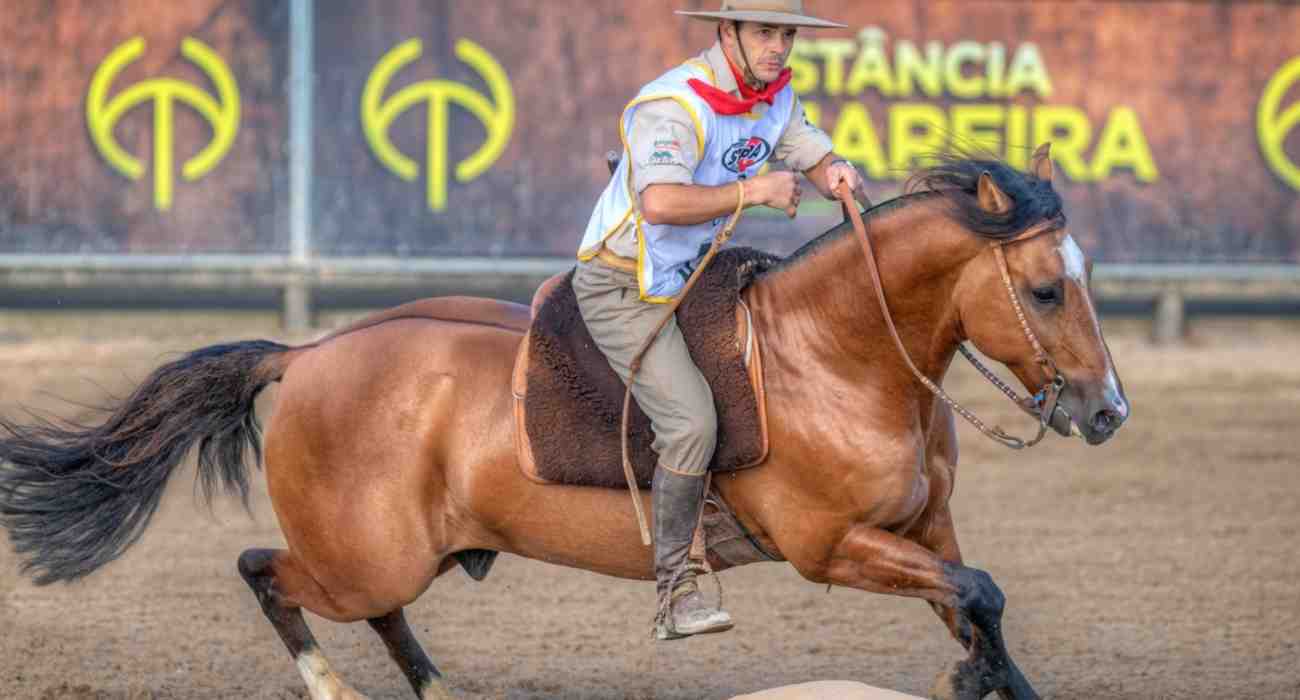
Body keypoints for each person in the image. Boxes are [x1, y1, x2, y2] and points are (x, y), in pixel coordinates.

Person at [573, 0, 866, 641]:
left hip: (691, 278)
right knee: (690, 423)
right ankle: (676, 593)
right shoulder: (673, 106)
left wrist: (831, 171)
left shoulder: (774, 96)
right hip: (623, 286)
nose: (779, 46)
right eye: (765, 31)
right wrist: (754, 191)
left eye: (787, 33)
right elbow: (658, 202)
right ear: (726, 31)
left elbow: (805, 147)